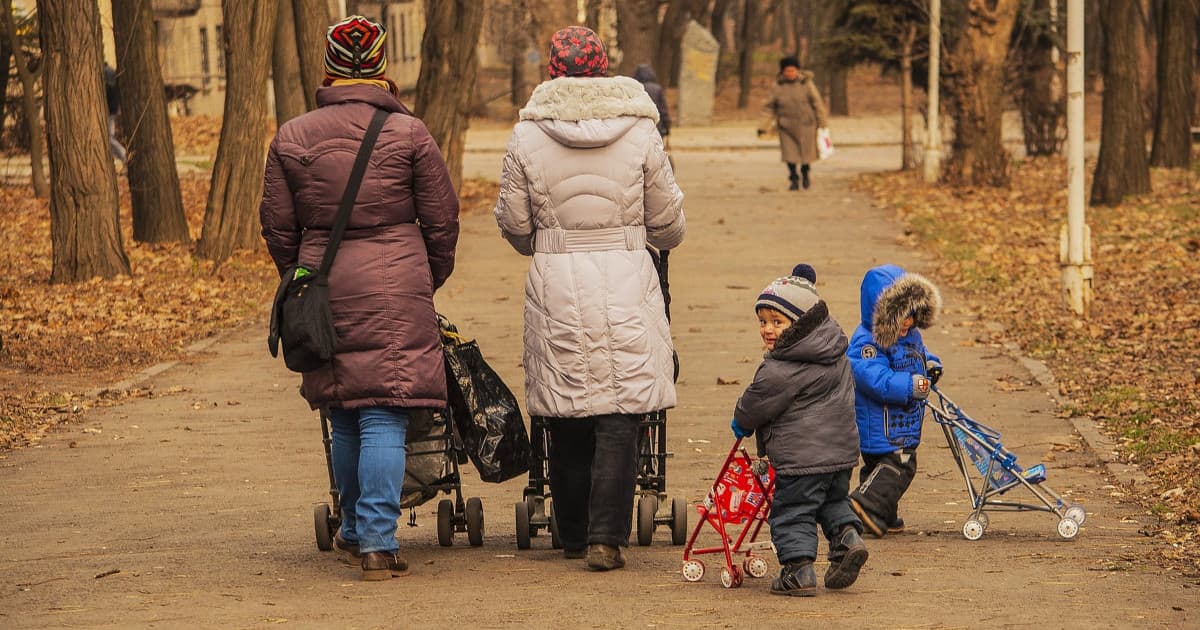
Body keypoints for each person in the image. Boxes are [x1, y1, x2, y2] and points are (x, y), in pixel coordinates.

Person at [258, 15, 460, 581]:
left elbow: (277, 227)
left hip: (323, 283)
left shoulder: (292, 136)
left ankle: (354, 530)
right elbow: (442, 222)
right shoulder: (409, 133)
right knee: (385, 415)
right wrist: (426, 278)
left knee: (344, 413)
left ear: (329, 69)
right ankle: (376, 540)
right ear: (379, 69)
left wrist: (303, 282)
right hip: (397, 283)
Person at [493, 26, 685, 571]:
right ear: (604, 69)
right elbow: (668, 225)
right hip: (626, 276)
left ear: (552, 72)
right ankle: (607, 538)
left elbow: (514, 222)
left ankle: (572, 533)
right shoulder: (642, 131)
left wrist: (548, 243)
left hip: (556, 278)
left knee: (568, 407)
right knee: (621, 409)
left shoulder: (526, 137)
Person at [730, 264, 868, 596]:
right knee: (832, 501)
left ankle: (798, 571)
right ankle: (847, 539)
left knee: (792, 511)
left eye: (777, 322)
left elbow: (755, 403)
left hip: (800, 460)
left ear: (802, 324)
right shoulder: (836, 354)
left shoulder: (781, 368)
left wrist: (741, 422)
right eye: (763, 322)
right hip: (840, 456)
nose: (767, 329)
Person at [846, 264, 943, 538]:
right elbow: (871, 376)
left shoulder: (911, 335)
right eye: (901, 317)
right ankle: (863, 504)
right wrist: (909, 385)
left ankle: (882, 515)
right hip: (881, 424)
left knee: (880, 469)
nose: (908, 323)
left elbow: (920, 354)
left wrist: (932, 364)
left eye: (912, 315)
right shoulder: (867, 341)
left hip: (902, 422)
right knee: (900, 466)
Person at [757, 56, 826, 191]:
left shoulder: (806, 84)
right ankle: (793, 177)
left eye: (792, 71)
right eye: (787, 71)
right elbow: (769, 107)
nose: (790, 74)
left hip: (806, 124)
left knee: (807, 155)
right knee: (789, 155)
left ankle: (805, 173)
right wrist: (762, 126)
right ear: (782, 72)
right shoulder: (778, 86)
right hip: (786, 126)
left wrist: (822, 123)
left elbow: (817, 103)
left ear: (798, 70)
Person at [632, 64, 671, 142]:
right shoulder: (658, 89)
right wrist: (667, 126)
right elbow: (663, 110)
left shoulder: (635, 88)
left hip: (639, 128)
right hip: (656, 126)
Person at [103, 64, 127, 164]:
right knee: (109, 136)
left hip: (110, 110)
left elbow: (111, 93)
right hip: (112, 109)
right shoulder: (110, 71)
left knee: (109, 136)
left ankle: (123, 154)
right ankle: (119, 157)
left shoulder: (107, 73)